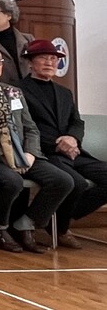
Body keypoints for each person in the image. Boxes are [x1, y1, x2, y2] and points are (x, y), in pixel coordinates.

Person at [0, 44, 73, 254]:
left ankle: (25, 224)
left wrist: (30, 153)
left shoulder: (13, 92)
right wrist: (5, 155)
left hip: (22, 153)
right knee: (12, 181)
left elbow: (31, 128)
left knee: (62, 180)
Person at [20, 40, 107, 249]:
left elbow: (77, 122)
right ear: (31, 62)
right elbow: (24, 126)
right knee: (75, 182)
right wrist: (58, 144)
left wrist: (72, 138)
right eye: (43, 58)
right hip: (46, 152)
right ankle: (60, 228)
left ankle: (58, 218)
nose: (49, 62)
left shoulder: (64, 92)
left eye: (53, 58)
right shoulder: (18, 90)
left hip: (73, 151)